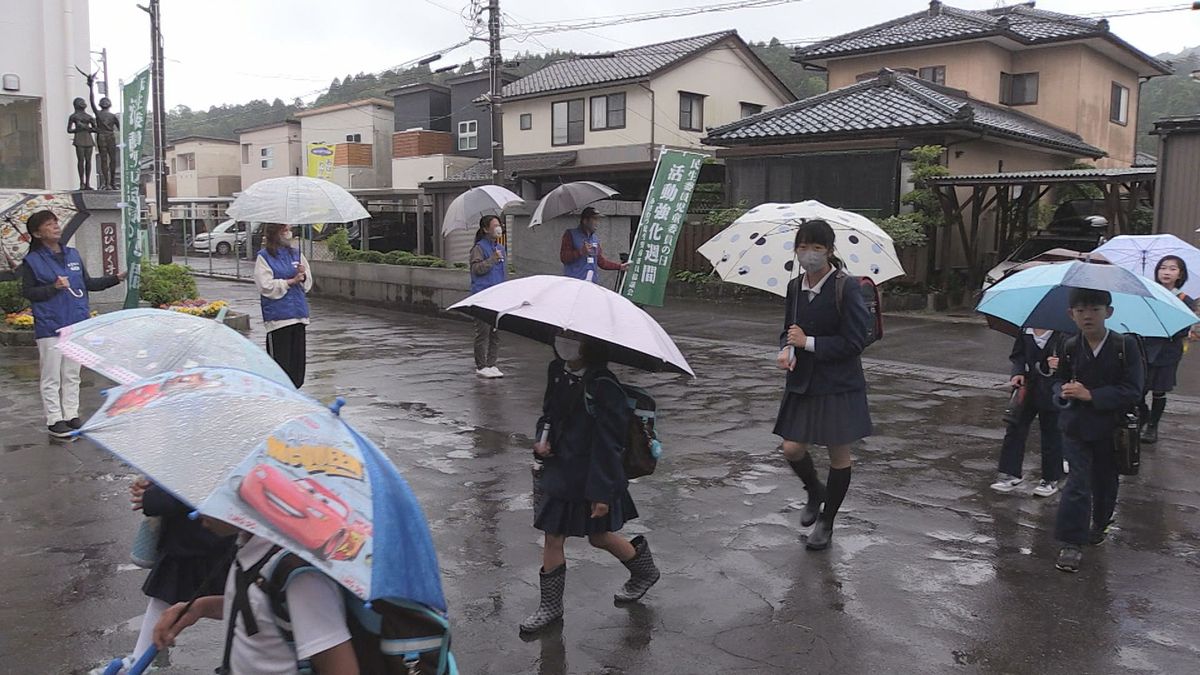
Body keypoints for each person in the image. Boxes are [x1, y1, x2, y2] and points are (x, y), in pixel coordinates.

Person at [520, 335, 660, 634]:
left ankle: (644, 571)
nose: (563, 341)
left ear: (591, 346)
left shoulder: (605, 386)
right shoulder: (557, 370)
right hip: (560, 470)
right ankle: (550, 608)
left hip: (593, 475)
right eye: (562, 334)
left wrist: (602, 494)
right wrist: (541, 440)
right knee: (553, 535)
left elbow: (609, 445)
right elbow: (548, 413)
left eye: (574, 338)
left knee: (599, 537)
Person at [773, 219, 871, 551]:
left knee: (838, 455)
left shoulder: (847, 286)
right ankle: (815, 491)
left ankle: (827, 521)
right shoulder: (794, 287)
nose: (809, 254)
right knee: (791, 448)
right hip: (802, 382)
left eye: (817, 248)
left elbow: (856, 341)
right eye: (803, 247)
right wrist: (786, 349)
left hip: (838, 384)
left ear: (829, 251)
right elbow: (789, 329)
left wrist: (809, 343)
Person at [153, 523, 358, 675]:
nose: (198, 511)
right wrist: (200, 608)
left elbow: (341, 668)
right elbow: (258, 608)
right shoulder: (248, 546)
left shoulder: (301, 578)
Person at [1051, 288, 1144, 573]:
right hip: (1076, 427)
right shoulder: (1068, 346)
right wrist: (1063, 392)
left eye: (1094, 309)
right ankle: (1071, 543)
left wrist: (1092, 395)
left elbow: (1134, 390)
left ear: (1109, 312)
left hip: (1110, 429)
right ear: (1071, 315)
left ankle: (1101, 522)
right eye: (1080, 311)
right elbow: (1059, 383)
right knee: (1077, 484)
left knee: (1105, 482)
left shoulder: (1124, 346)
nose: (1087, 316)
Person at [103, 479, 234, 674]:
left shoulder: (205, 455)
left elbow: (184, 486)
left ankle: (139, 660)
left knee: (238, 604)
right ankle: (139, 659)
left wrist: (151, 497)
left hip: (193, 541)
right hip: (202, 540)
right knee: (235, 602)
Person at [19, 210, 123, 437]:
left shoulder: (73, 254)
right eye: (48, 224)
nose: (55, 226)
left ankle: (71, 415)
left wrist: (117, 278)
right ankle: (54, 419)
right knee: (52, 375)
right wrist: (53, 287)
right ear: (37, 233)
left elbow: (88, 284)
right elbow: (28, 292)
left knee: (72, 374)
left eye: (55, 222)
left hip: (76, 324)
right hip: (51, 325)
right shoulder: (32, 262)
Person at [990, 327, 1067, 497]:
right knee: (1015, 428)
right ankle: (1010, 473)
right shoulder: (1025, 329)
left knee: (1051, 433)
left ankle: (1050, 479)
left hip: (1052, 390)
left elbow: (1077, 361)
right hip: (1026, 389)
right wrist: (1017, 373)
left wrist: (1062, 364)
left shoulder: (1065, 333)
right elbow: (1018, 356)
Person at [1138, 255, 1198, 444]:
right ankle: (1143, 415)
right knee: (1138, 389)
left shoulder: (1184, 300)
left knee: (1159, 390)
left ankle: (1152, 426)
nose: (1166, 272)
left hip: (1168, 350)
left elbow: (1183, 327)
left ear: (1180, 274)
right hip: (1144, 348)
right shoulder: (1148, 293)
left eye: (1173, 269)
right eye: (1163, 268)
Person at [255, 223, 312, 388]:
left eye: (289, 230)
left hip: (299, 316)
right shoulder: (264, 257)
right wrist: (289, 282)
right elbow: (265, 286)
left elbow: (307, 284)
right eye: (285, 230)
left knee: (297, 370)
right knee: (280, 368)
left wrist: (303, 275)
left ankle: (295, 397)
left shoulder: (296, 254)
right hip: (279, 319)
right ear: (277, 233)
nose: (289, 233)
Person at [469, 215, 507, 378]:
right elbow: (476, 269)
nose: (499, 228)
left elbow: (503, 272)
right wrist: (492, 259)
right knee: (483, 332)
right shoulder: (479, 248)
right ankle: (481, 365)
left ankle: (492, 364)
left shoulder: (501, 248)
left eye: (499, 225)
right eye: (495, 225)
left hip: (498, 296)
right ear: (485, 229)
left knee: (495, 332)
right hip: (483, 296)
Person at [559, 207, 628, 284]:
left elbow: (601, 261)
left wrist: (619, 266)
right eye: (594, 219)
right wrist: (580, 252)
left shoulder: (595, 239)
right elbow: (563, 258)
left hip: (591, 283)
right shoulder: (570, 234)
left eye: (598, 219)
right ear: (585, 221)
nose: (597, 222)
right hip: (574, 282)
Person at [66, 97, 96, 190]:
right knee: (80, 161)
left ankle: (87, 182)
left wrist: (85, 127)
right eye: (81, 102)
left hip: (88, 139)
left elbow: (95, 129)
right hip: (79, 139)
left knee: (88, 161)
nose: (83, 104)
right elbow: (69, 130)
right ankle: (81, 182)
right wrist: (77, 129)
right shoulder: (73, 116)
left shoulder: (89, 117)